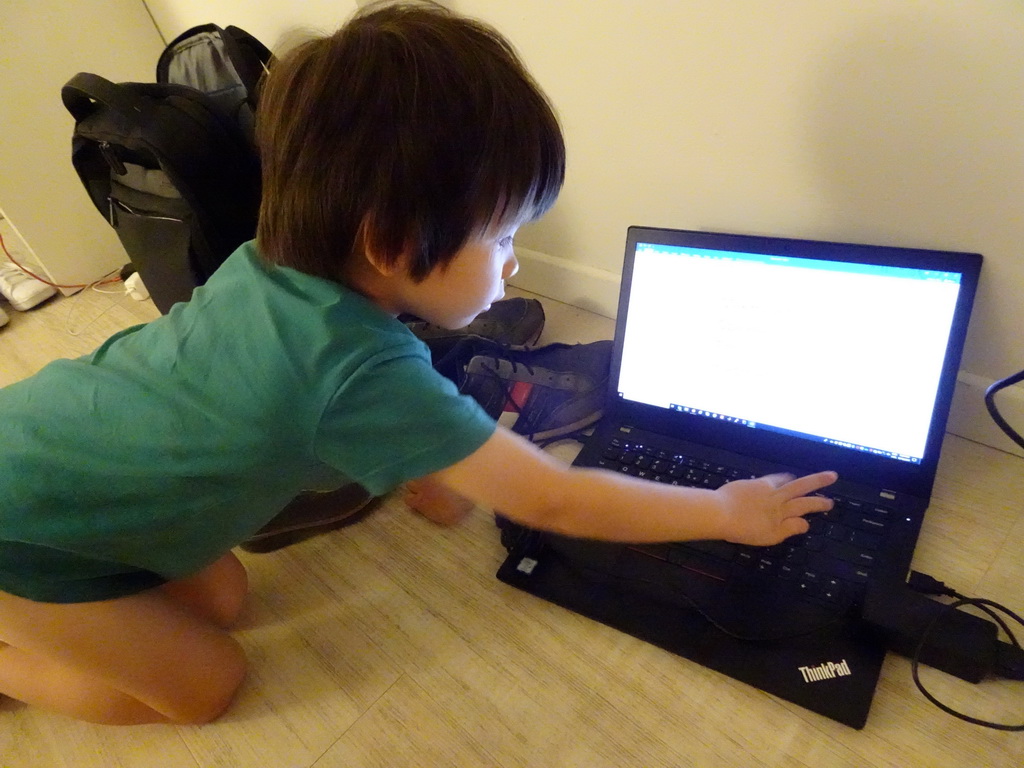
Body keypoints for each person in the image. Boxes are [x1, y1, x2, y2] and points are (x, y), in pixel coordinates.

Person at [0, 1, 836, 726]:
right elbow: (557, 498)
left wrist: (431, 468)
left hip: (52, 455)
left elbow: (341, 403)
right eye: (503, 236)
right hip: (19, 528)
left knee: (222, 599)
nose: (513, 263)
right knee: (207, 687)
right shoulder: (360, 371)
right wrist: (728, 512)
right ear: (394, 244)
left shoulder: (275, 259)